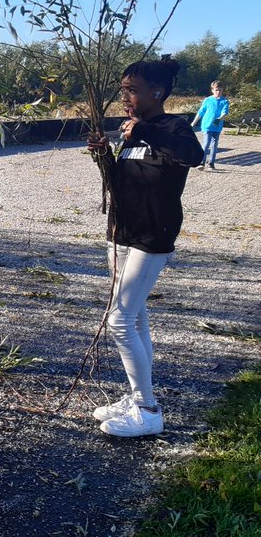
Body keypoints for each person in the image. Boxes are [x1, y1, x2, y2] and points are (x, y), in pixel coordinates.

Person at [86, 58, 203, 437]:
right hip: (121, 231)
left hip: (153, 237)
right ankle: (137, 399)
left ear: (158, 92)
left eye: (132, 90)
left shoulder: (174, 128)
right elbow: (121, 183)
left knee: (119, 320)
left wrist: (146, 131)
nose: (126, 97)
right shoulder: (131, 131)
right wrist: (104, 155)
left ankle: (149, 411)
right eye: (124, 90)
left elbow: (194, 157)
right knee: (136, 318)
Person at [191, 80, 229, 170]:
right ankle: (201, 162)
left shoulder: (225, 101)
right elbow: (201, 112)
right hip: (207, 125)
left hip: (217, 126)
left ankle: (211, 163)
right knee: (206, 144)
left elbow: (225, 112)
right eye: (216, 90)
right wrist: (193, 123)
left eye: (220, 90)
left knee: (214, 145)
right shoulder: (207, 100)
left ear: (222, 90)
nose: (218, 92)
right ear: (212, 90)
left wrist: (219, 119)